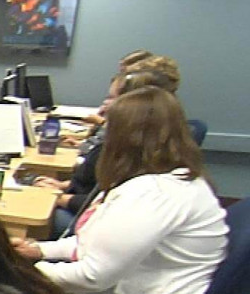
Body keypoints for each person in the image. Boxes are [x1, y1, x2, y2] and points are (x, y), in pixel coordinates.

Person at [13, 87, 226, 294]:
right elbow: (95, 243)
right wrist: (39, 249)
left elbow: (93, 275)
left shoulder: (154, 194)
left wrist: (16, 269)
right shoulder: (166, 179)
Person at [35, 56, 182, 234]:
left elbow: (103, 203)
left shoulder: (133, 150)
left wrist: (60, 198)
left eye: (112, 98)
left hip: (92, 224)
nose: (104, 106)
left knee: (33, 212)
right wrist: (63, 186)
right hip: (93, 216)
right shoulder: (148, 138)